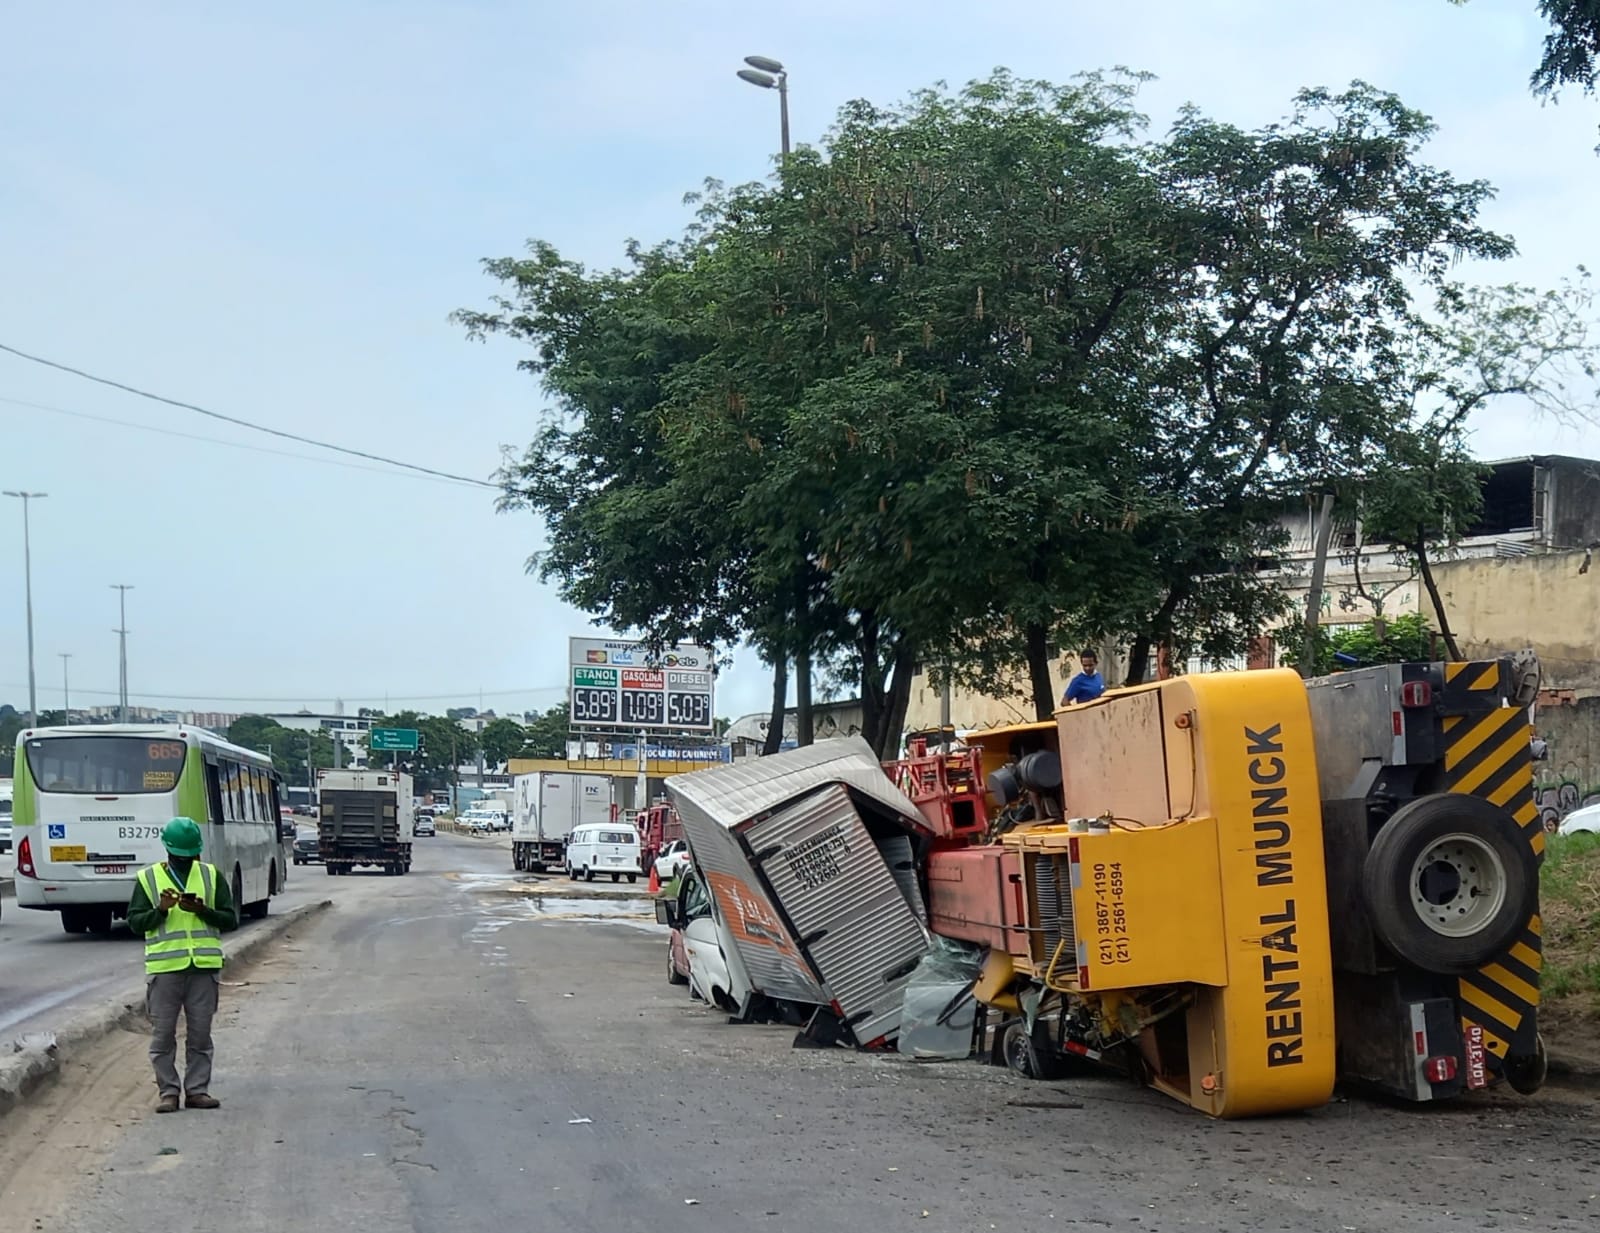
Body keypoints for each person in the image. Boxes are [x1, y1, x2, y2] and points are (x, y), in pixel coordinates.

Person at [126, 817, 239, 1113]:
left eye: (191, 856)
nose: (186, 861)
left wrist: (203, 911)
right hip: (165, 971)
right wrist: (160, 911)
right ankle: (169, 1092)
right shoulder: (148, 879)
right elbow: (136, 923)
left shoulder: (211, 876)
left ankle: (197, 1090)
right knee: (163, 1036)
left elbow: (230, 919)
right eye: (181, 856)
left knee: (200, 1035)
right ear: (168, 850)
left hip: (203, 969)